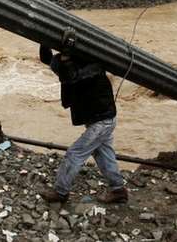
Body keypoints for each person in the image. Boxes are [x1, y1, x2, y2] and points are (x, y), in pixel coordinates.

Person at [38, 28, 128, 204]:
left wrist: (65, 55)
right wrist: (44, 41)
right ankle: (118, 191)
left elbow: (71, 76)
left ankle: (61, 192)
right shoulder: (71, 63)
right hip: (97, 118)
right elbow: (48, 60)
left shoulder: (93, 66)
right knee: (104, 155)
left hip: (102, 120)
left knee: (75, 153)